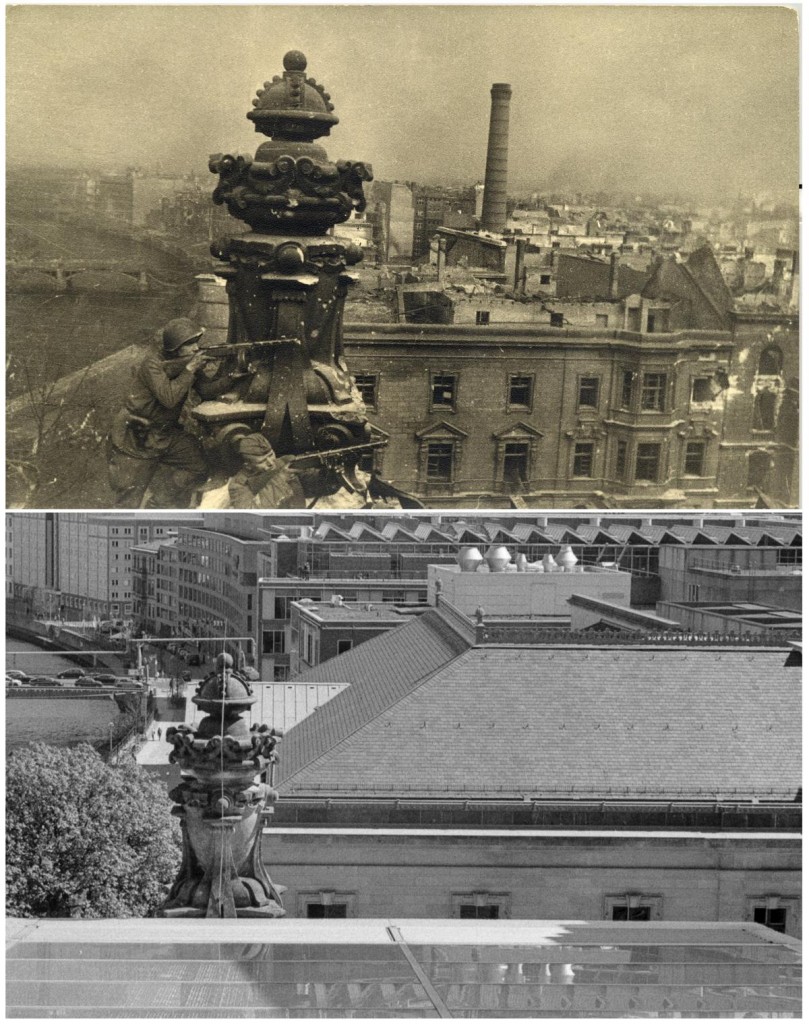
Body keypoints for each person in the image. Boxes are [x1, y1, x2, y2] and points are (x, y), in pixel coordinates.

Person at [107, 318, 213, 508]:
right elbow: (169, 398)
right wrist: (189, 369)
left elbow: (207, 391)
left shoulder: (186, 365)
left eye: (197, 342)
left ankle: (159, 503)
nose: (196, 348)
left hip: (164, 434)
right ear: (175, 348)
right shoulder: (152, 364)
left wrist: (236, 375)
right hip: (136, 437)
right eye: (189, 344)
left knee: (198, 466)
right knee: (128, 500)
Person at [227, 433, 308, 509]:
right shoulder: (238, 485)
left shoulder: (283, 463)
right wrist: (281, 479)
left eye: (271, 455)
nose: (271, 462)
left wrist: (318, 474)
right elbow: (250, 514)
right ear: (248, 466)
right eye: (262, 461)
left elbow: (309, 483)